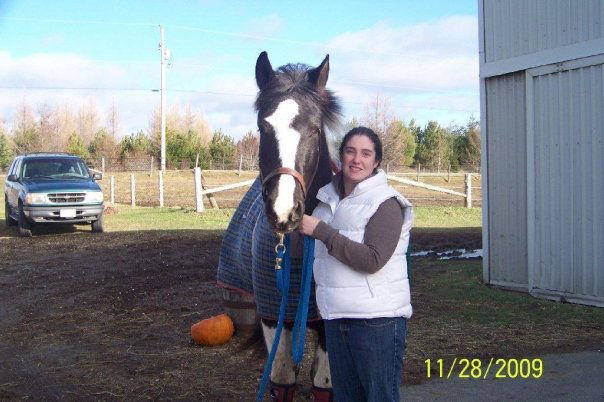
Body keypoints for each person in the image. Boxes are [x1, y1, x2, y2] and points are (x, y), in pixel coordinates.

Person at [299, 126, 413, 402]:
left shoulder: (385, 203)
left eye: (365, 153)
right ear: (341, 156)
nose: (356, 160)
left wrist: (321, 231)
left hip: (377, 321)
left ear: (376, 161)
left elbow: (373, 260)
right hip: (336, 318)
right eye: (350, 151)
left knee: (379, 397)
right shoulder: (326, 202)